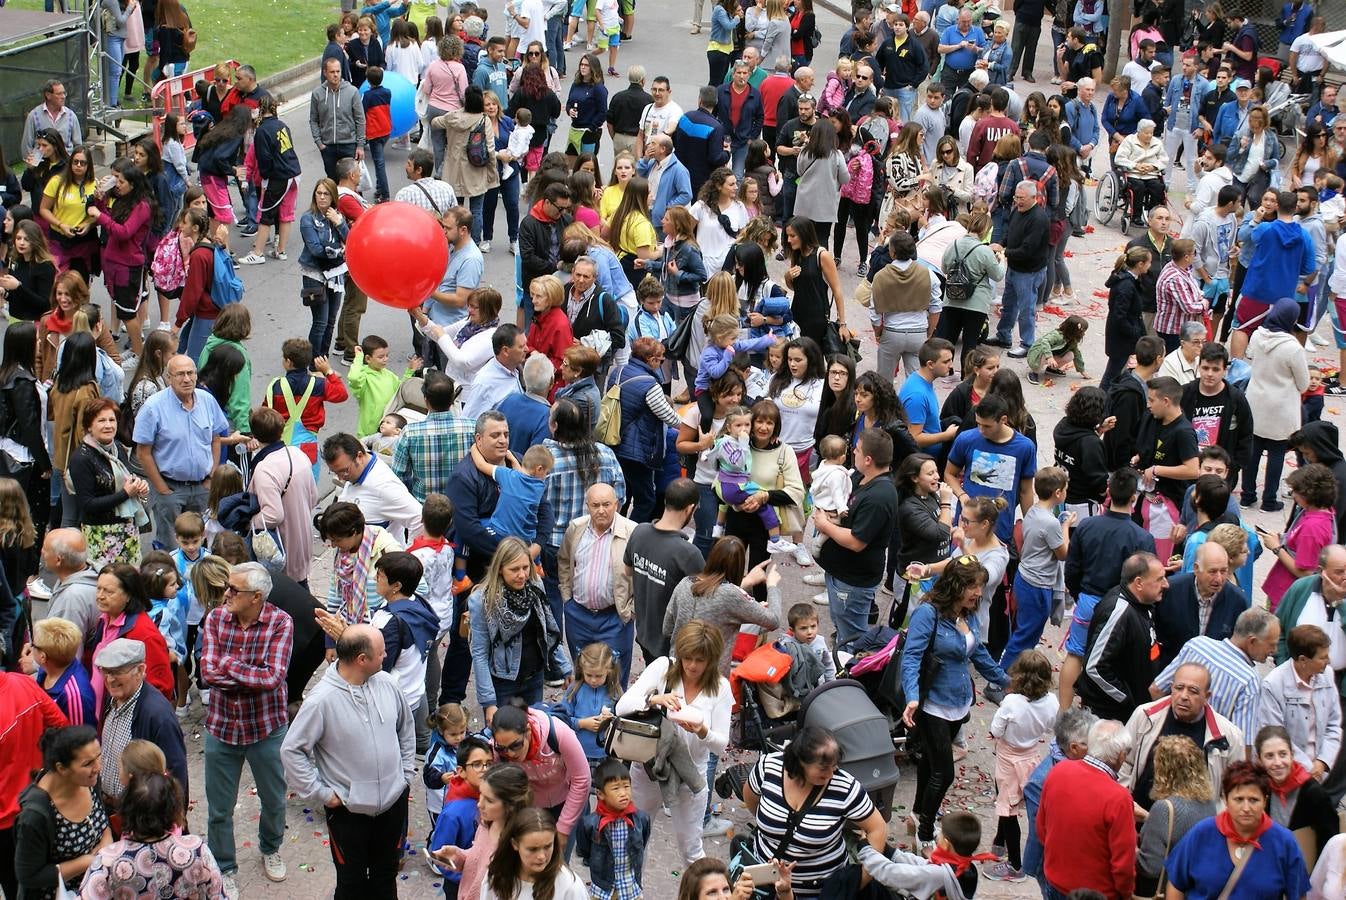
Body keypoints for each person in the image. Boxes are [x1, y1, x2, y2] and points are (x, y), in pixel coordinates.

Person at [281, 624, 416, 898]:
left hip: (393, 805)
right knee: (351, 885)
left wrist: (405, 776)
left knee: (386, 878)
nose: (386, 655)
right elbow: (292, 751)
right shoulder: (321, 701)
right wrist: (322, 794)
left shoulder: (388, 684)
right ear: (362, 660)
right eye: (381, 652)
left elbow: (406, 728)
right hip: (348, 814)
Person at [199, 561, 293, 888]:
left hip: (265, 728)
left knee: (274, 799)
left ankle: (271, 848)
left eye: (233, 589)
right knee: (219, 809)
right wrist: (245, 671)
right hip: (222, 727)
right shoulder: (215, 618)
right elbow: (207, 674)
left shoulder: (281, 623)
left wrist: (228, 665)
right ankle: (224, 868)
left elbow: (273, 677)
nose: (225, 594)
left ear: (256, 597)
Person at [615, 620, 730, 863]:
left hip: (689, 776)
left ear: (711, 660)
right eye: (687, 658)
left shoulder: (720, 687)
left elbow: (721, 744)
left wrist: (702, 731)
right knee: (635, 842)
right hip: (648, 768)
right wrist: (655, 700)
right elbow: (622, 707)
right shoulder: (664, 667)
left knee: (692, 851)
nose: (691, 665)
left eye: (700, 660)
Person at [742, 724, 888, 897]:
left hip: (821, 890)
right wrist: (772, 826)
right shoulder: (769, 767)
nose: (831, 774)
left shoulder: (845, 788)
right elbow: (750, 798)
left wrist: (861, 879)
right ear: (800, 762)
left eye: (834, 766)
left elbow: (877, 828)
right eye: (823, 768)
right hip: (766, 883)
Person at [1165, 761, 1310, 899]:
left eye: (1253, 800)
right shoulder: (1201, 833)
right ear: (1225, 800)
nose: (1246, 808)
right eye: (1239, 799)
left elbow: (1298, 894)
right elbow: (1176, 884)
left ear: (1265, 801)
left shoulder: (1284, 842)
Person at [131, 355, 232, 551]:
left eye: (190, 373)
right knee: (171, 547)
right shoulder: (153, 407)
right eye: (180, 374)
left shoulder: (207, 400)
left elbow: (215, 438)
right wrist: (161, 488)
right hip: (170, 489)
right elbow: (143, 453)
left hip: (202, 488)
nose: (186, 379)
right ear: (169, 378)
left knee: (202, 544)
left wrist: (211, 476)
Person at [1121, 661, 1246, 812]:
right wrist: (1125, 802)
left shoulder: (1229, 737)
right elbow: (1123, 761)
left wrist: (1211, 822)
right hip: (1137, 816)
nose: (1184, 696)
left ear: (1207, 696)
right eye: (1179, 688)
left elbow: (1235, 790)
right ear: (1171, 687)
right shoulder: (1145, 716)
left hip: (1195, 828)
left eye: (1193, 691)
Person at [813, 428, 898, 648]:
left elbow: (856, 542)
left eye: (857, 450)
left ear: (868, 459)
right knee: (842, 626)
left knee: (854, 639)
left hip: (853, 581)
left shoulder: (880, 496)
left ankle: (852, 675)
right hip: (841, 574)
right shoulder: (862, 477)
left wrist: (824, 525)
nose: (853, 452)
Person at [80, 771, 224, 899]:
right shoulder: (196, 850)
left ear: (125, 810)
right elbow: (217, 894)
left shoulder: (108, 861)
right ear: (174, 811)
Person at [1035, 718, 1137, 897]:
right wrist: (1126, 893)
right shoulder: (1119, 798)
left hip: (1055, 883)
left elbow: (1042, 828)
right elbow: (1123, 864)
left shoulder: (1059, 770)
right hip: (1095, 894)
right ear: (1121, 755)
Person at [984, 651, 1058, 883]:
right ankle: (999, 842)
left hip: (1008, 759)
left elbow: (995, 730)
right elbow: (1050, 728)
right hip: (1032, 755)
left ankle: (1015, 865)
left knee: (1007, 809)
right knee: (1010, 800)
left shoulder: (1011, 703)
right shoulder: (1052, 702)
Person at [12, 724, 110, 899]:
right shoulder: (35, 815)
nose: (97, 767)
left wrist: (105, 847)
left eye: (99, 757)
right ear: (62, 768)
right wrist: (86, 862)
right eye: (87, 763)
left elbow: (103, 824)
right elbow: (28, 876)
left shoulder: (89, 781)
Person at [91, 636, 188, 806]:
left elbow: (176, 773)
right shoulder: (113, 698)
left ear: (141, 670)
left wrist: (171, 819)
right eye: (106, 672)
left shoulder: (158, 715)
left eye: (118, 672)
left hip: (141, 818)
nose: (110, 679)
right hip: (112, 810)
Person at [1077, 552, 1169, 722]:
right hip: (1111, 718)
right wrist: (1127, 700)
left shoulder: (1143, 604)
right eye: (1160, 579)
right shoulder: (1119, 612)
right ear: (1139, 583)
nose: (1166, 584)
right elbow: (1094, 667)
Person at [1242, 298, 1310, 512]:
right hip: (1280, 408)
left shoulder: (1256, 335)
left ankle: (1247, 495)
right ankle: (1269, 500)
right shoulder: (1293, 348)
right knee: (1276, 454)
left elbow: (1251, 357)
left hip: (1255, 402)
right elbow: (1304, 383)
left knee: (1253, 451)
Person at [625, 478, 704, 662]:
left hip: (644, 635)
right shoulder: (688, 553)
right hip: (672, 648)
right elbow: (705, 599)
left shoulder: (639, 531)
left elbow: (628, 572)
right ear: (689, 508)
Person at [68, 398, 151, 569]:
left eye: (112, 420)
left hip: (128, 530)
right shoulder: (81, 458)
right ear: (89, 426)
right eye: (101, 420)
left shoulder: (117, 448)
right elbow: (87, 504)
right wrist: (126, 494)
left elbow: (128, 479)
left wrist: (139, 486)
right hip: (101, 536)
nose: (108, 425)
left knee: (130, 585)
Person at [1261, 625, 1341, 785]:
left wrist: (1322, 762)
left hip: (1319, 775)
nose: (1328, 661)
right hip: (1286, 776)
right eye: (1323, 657)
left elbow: (1334, 725)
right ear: (1303, 660)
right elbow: (1275, 735)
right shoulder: (1273, 684)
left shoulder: (1327, 675)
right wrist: (1307, 768)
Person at [1256, 723, 1338, 869]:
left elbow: (1331, 844)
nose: (1277, 763)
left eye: (1283, 754)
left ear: (1292, 755)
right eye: (1269, 756)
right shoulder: (1261, 789)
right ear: (1260, 760)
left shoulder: (1313, 794)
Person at [990, 181, 1050, 356]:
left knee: (1026, 309)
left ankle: (1027, 343)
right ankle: (1003, 335)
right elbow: (1009, 232)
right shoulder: (1017, 210)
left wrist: (1005, 251)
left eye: (1022, 198)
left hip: (1029, 271)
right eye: (1016, 197)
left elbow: (1028, 249)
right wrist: (1001, 243)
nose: (1018, 201)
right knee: (1008, 304)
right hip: (1014, 268)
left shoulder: (1039, 219)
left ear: (1034, 198)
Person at [310, 58, 367, 180]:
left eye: (338, 71)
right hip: (328, 147)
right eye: (332, 72)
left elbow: (360, 119)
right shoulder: (317, 94)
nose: (335, 75)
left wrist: (360, 145)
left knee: (352, 183)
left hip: (349, 145)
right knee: (332, 185)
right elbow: (314, 120)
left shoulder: (352, 91)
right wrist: (319, 143)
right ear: (325, 73)